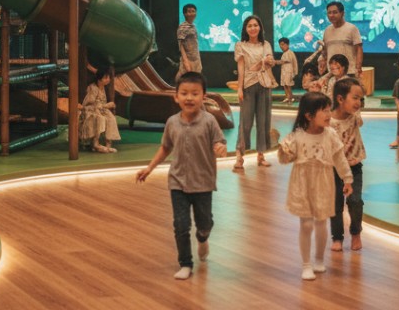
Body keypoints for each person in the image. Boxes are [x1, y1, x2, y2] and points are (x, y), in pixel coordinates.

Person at [136, 72, 227, 281]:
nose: (189, 98)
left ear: (203, 96)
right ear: (175, 97)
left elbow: (219, 143)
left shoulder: (210, 121)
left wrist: (220, 148)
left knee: (205, 224)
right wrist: (149, 168)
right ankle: (185, 263)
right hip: (177, 182)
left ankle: (203, 239)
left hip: (203, 183)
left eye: (195, 93)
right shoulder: (172, 122)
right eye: (184, 93)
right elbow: (165, 147)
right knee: (180, 224)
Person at [278, 91, 352, 281]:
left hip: (323, 182)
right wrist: (283, 150)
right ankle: (306, 264)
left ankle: (319, 259)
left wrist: (347, 178)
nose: (328, 114)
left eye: (329, 110)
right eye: (323, 111)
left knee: (321, 223)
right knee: (307, 224)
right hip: (302, 184)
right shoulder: (296, 136)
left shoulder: (330, 135)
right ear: (309, 116)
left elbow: (339, 158)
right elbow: (285, 159)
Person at [234, 15, 277, 171]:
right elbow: (241, 68)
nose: (253, 28)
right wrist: (239, 88)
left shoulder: (266, 45)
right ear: (246, 29)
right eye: (250, 26)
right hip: (248, 86)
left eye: (255, 25)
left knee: (263, 121)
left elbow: (270, 61)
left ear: (260, 28)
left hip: (264, 85)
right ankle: (239, 156)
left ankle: (261, 155)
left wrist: (270, 61)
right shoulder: (240, 45)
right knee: (245, 123)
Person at [329, 77, 366, 252]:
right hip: (333, 169)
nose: (359, 103)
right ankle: (337, 237)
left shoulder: (355, 116)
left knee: (355, 201)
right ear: (340, 99)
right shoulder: (327, 121)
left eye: (360, 98)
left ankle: (356, 232)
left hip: (354, 166)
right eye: (355, 98)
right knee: (336, 204)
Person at [79, 66, 122, 153]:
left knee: (111, 118)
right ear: (99, 79)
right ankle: (96, 144)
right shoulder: (93, 88)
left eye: (109, 77)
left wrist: (106, 106)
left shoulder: (105, 88)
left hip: (101, 109)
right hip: (91, 110)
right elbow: (89, 104)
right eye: (106, 77)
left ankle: (108, 144)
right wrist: (105, 105)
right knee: (100, 118)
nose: (108, 79)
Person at [322, 2, 363, 76]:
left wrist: (358, 67)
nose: (332, 15)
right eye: (329, 13)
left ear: (342, 13)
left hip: (349, 71)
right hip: (332, 72)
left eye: (335, 12)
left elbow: (359, 49)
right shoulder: (327, 30)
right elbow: (325, 51)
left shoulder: (352, 28)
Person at [177, 3, 202, 82]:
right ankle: (176, 89)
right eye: (189, 11)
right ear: (185, 14)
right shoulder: (182, 27)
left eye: (193, 11)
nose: (192, 13)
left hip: (195, 56)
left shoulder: (193, 26)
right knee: (183, 74)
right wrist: (185, 60)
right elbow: (180, 44)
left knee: (195, 76)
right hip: (188, 57)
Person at [277, 37, 299, 103]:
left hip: (289, 72)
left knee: (288, 85)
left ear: (287, 44)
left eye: (283, 44)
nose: (281, 46)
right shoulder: (284, 53)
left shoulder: (290, 52)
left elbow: (284, 61)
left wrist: (274, 61)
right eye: (280, 45)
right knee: (284, 85)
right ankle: (287, 97)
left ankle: (291, 98)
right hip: (284, 71)